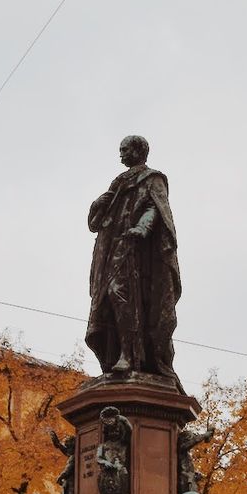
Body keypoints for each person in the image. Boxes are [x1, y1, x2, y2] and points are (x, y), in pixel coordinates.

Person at [85, 134, 181, 383]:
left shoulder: (153, 178)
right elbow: (96, 223)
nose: (121, 155)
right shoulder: (118, 183)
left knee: (122, 295)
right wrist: (99, 202)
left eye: (125, 149)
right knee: (107, 299)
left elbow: (157, 208)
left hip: (137, 253)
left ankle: (129, 355)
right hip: (111, 249)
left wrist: (143, 227)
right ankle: (116, 354)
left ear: (138, 151)